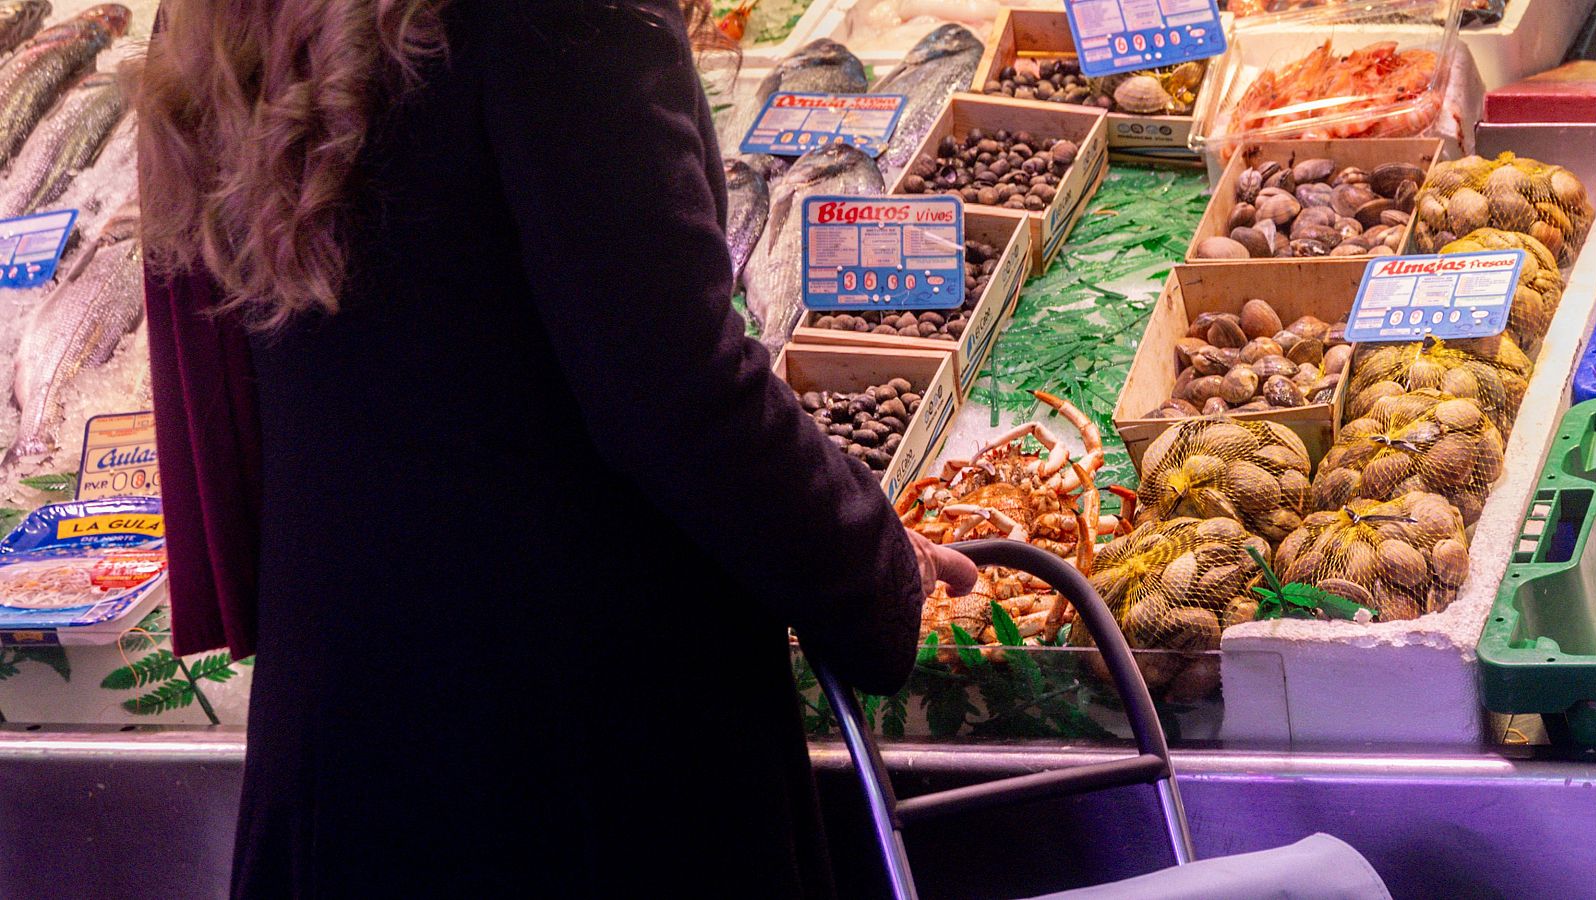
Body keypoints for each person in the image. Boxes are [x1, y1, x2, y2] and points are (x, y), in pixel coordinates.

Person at [132, 0, 978, 896]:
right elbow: (673, 386)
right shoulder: (560, 18)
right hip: (570, 763)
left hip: (356, 734)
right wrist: (871, 571)